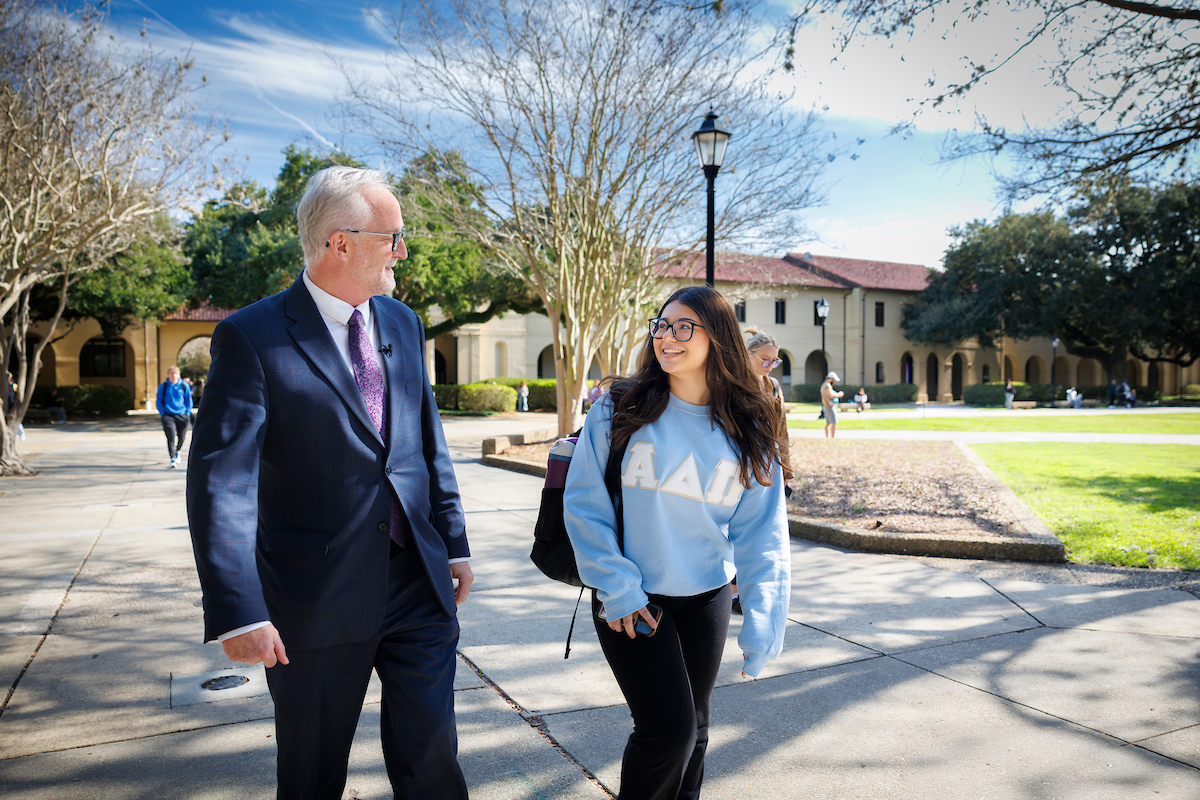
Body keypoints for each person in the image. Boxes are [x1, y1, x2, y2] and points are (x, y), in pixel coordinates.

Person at [186, 166, 473, 800]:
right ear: (338, 243)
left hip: (415, 585)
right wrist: (237, 610)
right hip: (313, 600)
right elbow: (221, 485)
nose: (403, 250)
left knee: (433, 758)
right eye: (391, 236)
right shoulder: (250, 336)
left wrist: (452, 540)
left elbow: (427, 442)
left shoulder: (401, 322)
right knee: (313, 773)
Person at [563, 285, 791, 800]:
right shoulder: (621, 407)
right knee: (669, 732)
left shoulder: (750, 426)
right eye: (661, 325)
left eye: (683, 326)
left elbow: (763, 534)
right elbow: (584, 504)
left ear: (719, 337)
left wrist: (761, 624)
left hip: (706, 593)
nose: (667, 336)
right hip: (631, 598)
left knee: (698, 731)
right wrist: (617, 588)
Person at [156, 366, 192, 469]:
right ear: (168, 375)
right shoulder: (163, 386)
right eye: (171, 373)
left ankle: (177, 451)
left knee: (182, 436)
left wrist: (187, 412)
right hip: (168, 415)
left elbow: (188, 400)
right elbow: (158, 400)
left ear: (178, 374)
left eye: (175, 373)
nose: (173, 375)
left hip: (182, 414)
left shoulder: (184, 386)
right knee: (170, 436)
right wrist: (162, 413)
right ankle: (172, 458)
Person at [744, 328, 785, 407]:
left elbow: (781, 418)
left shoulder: (774, 385)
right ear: (749, 355)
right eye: (765, 360)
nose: (770, 365)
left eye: (774, 360)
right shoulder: (737, 385)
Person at [821, 371, 843, 438]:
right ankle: (832, 437)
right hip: (830, 406)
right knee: (834, 422)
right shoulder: (827, 385)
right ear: (832, 379)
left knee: (828, 423)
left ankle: (827, 437)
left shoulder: (823, 385)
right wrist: (839, 394)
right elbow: (831, 395)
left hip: (825, 405)